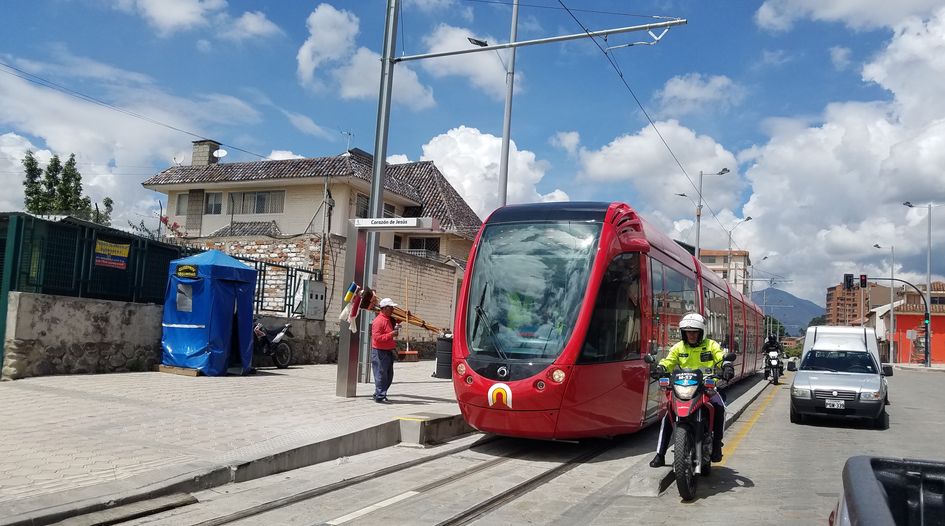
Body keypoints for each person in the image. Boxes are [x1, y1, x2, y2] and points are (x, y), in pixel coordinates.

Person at [650, 312, 734, 468]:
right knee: (668, 414)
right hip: (683, 388)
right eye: (688, 332)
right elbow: (668, 361)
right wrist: (660, 368)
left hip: (707, 388)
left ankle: (716, 445)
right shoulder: (678, 347)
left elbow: (721, 357)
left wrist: (727, 366)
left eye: (695, 332)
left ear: (701, 332)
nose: (691, 335)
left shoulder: (711, 345)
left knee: (719, 407)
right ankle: (660, 454)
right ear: (684, 333)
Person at [371, 298, 401, 404]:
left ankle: (379, 393)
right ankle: (380, 395)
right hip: (380, 351)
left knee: (388, 375)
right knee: (381, 374)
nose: (393, 309)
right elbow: (377, 338)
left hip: (388, 350)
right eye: (391, 307)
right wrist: (391, 334)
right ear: (384, 308)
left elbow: (398, 320)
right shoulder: (378, 321)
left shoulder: (389, 319)